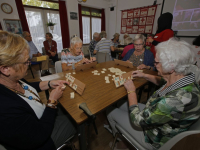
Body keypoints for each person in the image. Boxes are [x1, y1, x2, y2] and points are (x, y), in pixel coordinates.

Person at [107, 38, 200, 150]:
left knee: (110, 111)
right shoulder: (186, 79)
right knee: (121, 103)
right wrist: (145, 75)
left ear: (171, 67)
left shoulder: (174, 100)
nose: (154, 65)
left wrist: (131, 91)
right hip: (156, 113)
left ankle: (121, 143)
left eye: (157, 62)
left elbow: (138, 121)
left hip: (153, 138)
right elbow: (165, 81)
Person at [0, 30, 76, 150]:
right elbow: (38, 136)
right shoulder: (5, 108)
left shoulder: (12, 80)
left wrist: (50, 83)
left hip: (42, 118)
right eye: (25, 62)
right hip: (42, 140)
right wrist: (52, 102)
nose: (29, 64)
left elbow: (28, 86)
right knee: (75, 119)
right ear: (5, 69)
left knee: (69, 109)